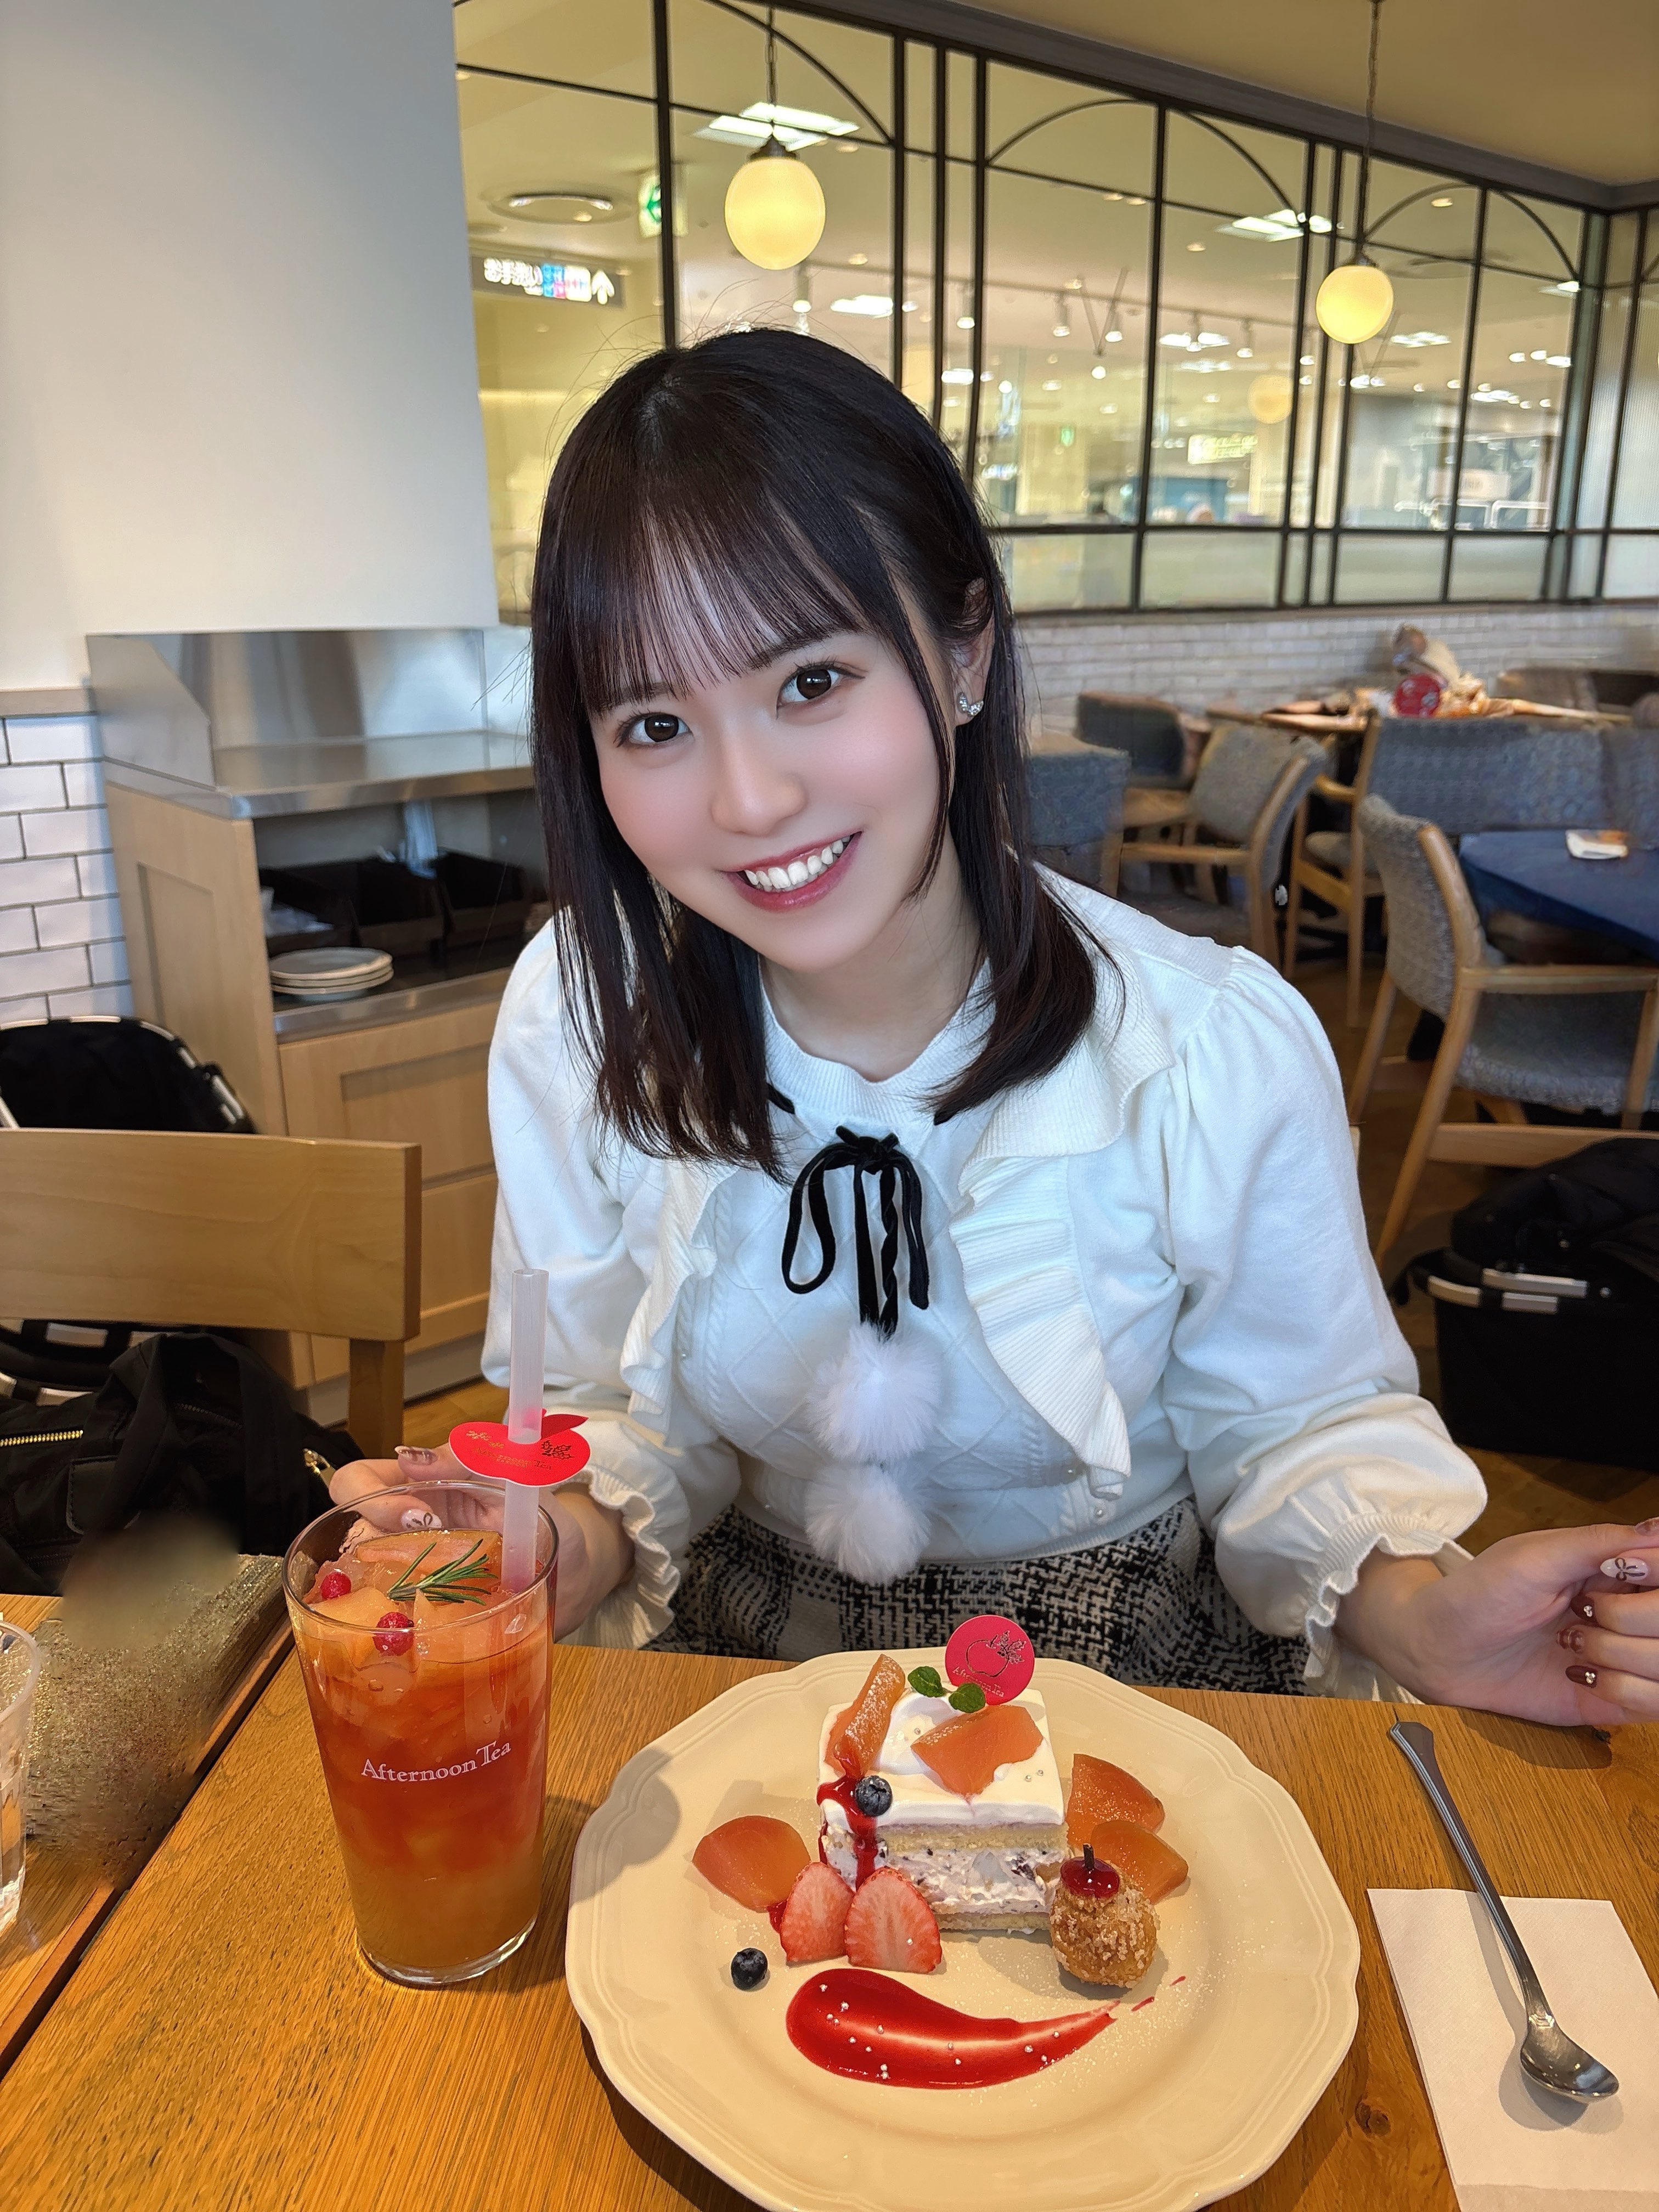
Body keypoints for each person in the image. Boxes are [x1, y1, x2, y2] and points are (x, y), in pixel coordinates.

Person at [334, 330, 1658, 1723]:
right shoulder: (584, 1016)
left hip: (1133, 1675)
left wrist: (1429, 1620)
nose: (749, 802)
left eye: (810, 682)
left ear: (963, 651)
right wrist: (554, 1539)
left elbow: (1296, 1429)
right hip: (740, 1665)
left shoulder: (1206, 1048)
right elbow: (605, 1405)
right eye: (654, 724)